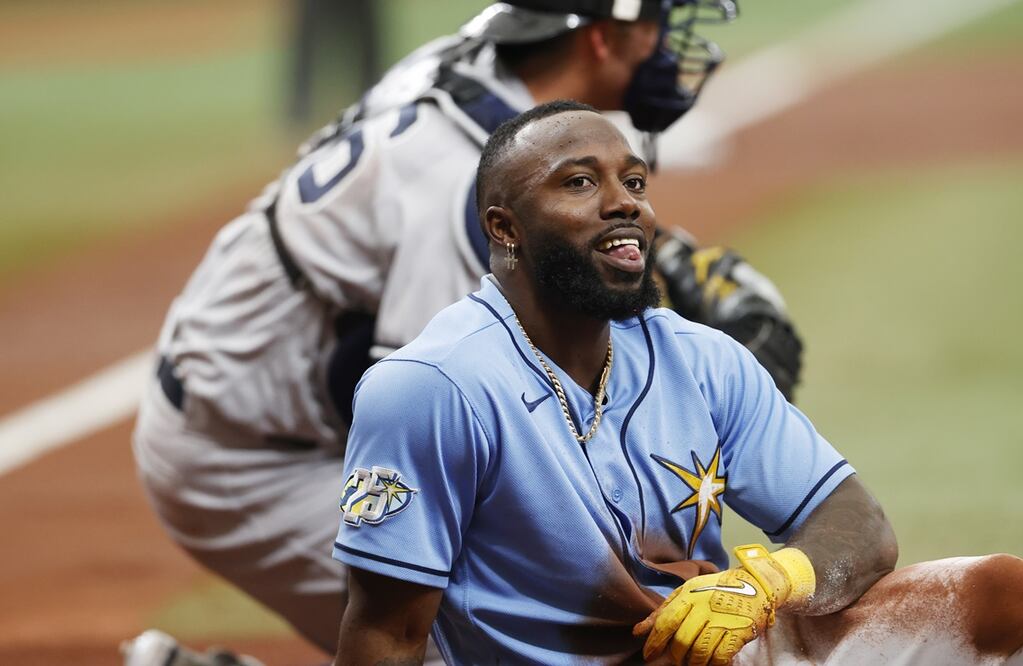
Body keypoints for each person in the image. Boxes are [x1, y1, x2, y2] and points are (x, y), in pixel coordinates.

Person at [131, 0, 803, 658]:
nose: (666, 45)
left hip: (290, 397)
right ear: (599, 37)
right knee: (523, 621)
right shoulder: (462, 187)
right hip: (246, 457)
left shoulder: (479, 86)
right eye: (655, 21)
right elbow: (429, 403)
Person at [332, 100, 899, 665]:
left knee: (987, 594)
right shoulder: (432, 388)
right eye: (579, 182)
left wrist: (766, 583)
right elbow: (388, 635)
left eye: (633, 181)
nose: (624, 202)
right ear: (505, 228)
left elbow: (860, 526)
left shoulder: (701, 359)